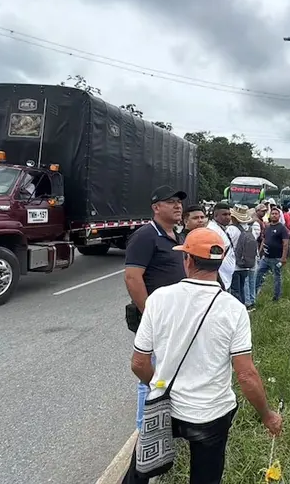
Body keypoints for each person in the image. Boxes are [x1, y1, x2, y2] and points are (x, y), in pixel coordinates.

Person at [123, 228, 282, 484]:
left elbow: (139, 364)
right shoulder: (234, 309)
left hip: (165, 406)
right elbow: (246, 375)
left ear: (187, 260)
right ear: (220, 263)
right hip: (211, 414)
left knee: (139, 472)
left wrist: (160, 387)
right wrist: (267, 415)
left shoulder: (158, 300)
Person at [124, 185, 187, 432]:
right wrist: (150, 313)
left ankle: (167, 426)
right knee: (149, 376)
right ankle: (145, 434)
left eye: (179, 202)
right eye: (170, 201)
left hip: (175, 319)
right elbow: (132, 278)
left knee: (169, 372)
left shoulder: (176, 236)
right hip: (156, 319)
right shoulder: (145, 236)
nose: (178, 206)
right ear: (156, 207)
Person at [255, 206, 290, 302]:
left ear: (279, 216)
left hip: (276, 258)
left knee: (276, 277)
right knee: (258, 274)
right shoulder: (267, 227)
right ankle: (254, 293)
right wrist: (260, 252)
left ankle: (276, 297)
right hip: (265, 258)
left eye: (276, 214)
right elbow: (264, 240)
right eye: (272, 214)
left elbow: (285, 243)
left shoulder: (282, 228)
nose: (274, 215)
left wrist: (283, 258)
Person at [228, 205, 259, 305]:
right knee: (242, 288)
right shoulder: (251, 230)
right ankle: (244, 306)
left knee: (235, 291)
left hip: (234, 265)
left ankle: (238, 310)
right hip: (246, 264)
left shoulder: (231, 230)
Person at [206, 202, 235, 290]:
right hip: (219, 277)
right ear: (215, 216)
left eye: (229, 214)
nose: (228, 217)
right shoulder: (212, 230)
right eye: (224, 214)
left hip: (226, 276)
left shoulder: (222, 229)